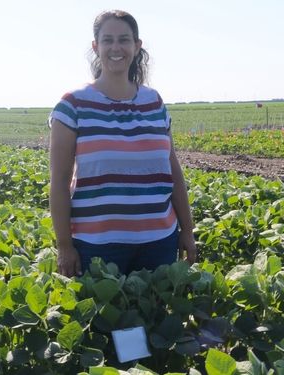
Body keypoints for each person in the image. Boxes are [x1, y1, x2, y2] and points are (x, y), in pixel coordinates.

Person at [49, 10, 196, 277]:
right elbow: (59, 181)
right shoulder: (73, 105)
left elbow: (173, 171)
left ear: (137, 46)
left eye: (124, 40)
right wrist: (64, 246)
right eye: (108, 40)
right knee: (106, 319)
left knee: (155, 317)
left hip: (160, 242)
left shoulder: (154, 102)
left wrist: (187, 230)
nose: (116, 48)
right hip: (97, 247)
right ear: (96, 47)